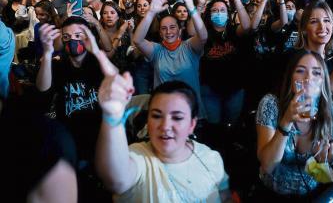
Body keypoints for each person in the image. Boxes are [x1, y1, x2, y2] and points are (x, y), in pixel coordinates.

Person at [94, 46, 231, 202]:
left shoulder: (210, 158)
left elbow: (225, 196)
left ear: (192, 124)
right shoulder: (138, 157)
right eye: (156, 116)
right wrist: (113, 116)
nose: (165, 126)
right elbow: (115, 179)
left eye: (177, 117)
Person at [36, 15, 110, 202]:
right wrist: (46, 53)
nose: (73, 41)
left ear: (88, 37)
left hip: (99, 136)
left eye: (79, 35)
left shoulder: (97, 63)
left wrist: (97, 52)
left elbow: (117, 82)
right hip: (70, 139)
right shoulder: (59, 65)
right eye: (67, 37)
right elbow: (42, 89)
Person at [255, 49, 333, 200]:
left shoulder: (332, 110)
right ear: (290, 77)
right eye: (300, 71)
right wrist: (286, 122)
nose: (308, 78)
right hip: (271, 192)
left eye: (316, 73)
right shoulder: (271, 104)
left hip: (311, 193)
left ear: (323, 80)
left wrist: (329, 160)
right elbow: (267, 166)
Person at [133, 0, 208, 117]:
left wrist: (192, 8)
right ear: (160, 33)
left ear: (180, 30)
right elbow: (137, 40)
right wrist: (151, 12)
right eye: (164, 29)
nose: (168, 32)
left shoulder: (189, 46)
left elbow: (203, 37)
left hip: (190, 113)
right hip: (164, 114)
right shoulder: (156, 50)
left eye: (172, 27)